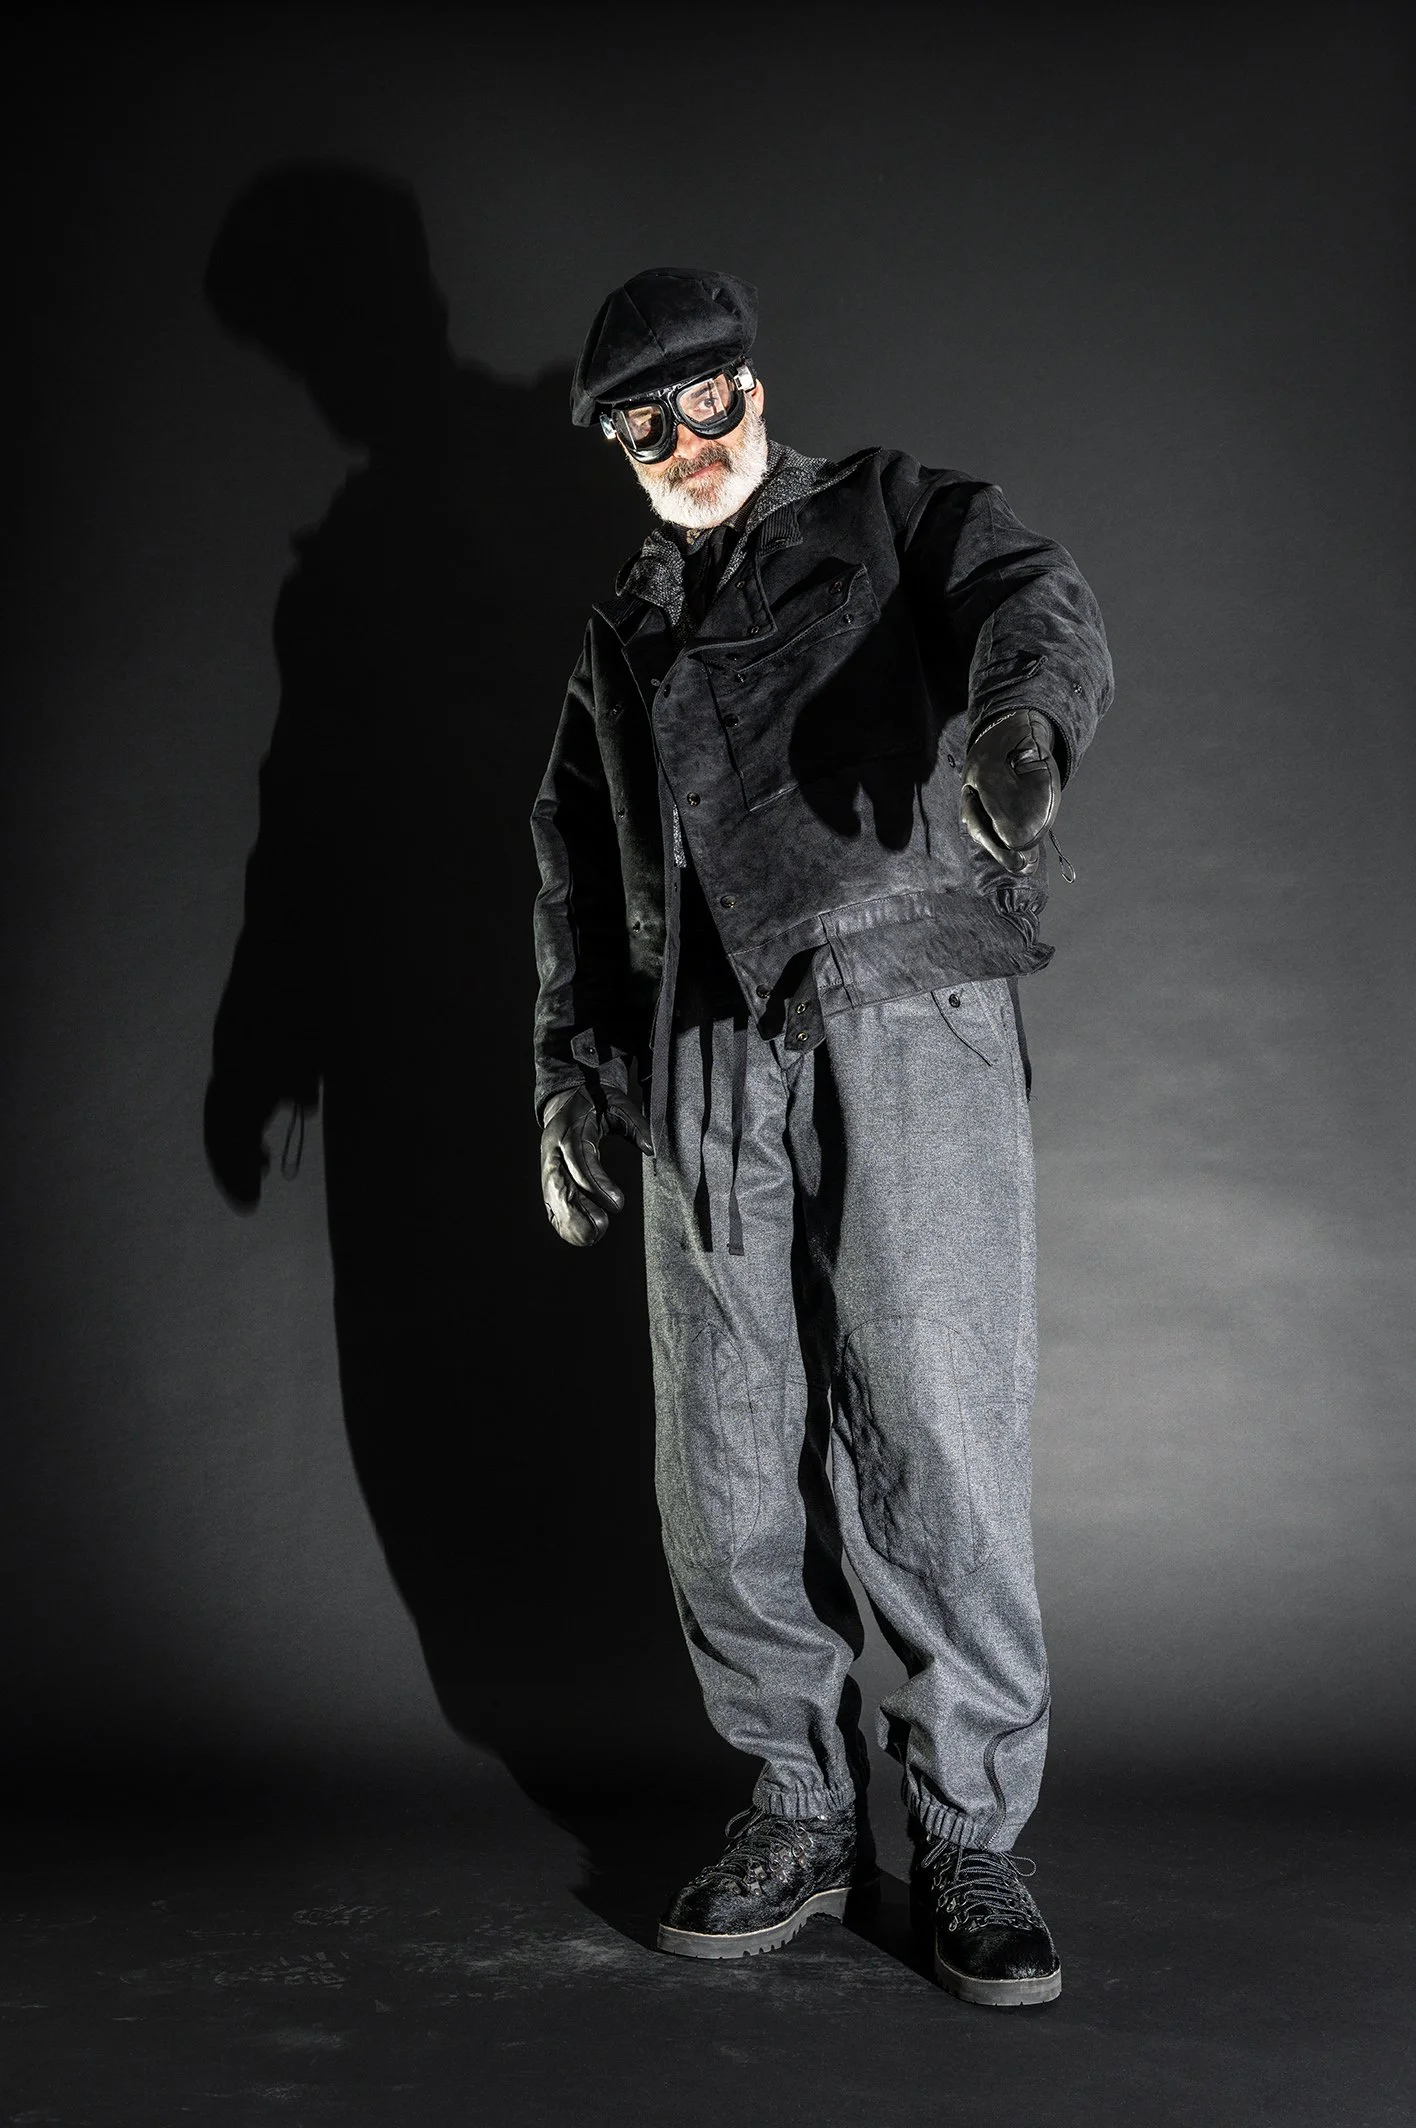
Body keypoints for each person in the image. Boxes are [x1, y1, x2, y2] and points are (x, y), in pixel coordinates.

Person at [531, 267, 1113, 2006]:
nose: (686, 441)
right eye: (647, 424)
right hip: (702, 1048)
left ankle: (968, 1834)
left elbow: (1030, 590)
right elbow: (573, 860)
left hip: (900, 998)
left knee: (935, 1413)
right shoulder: (618, 635)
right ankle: (795, 1801)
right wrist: (572, 1071)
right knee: (720, 1455)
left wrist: (1022, 722)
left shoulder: (885, 508)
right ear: (622, 448)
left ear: (753, 386)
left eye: (706, 399)